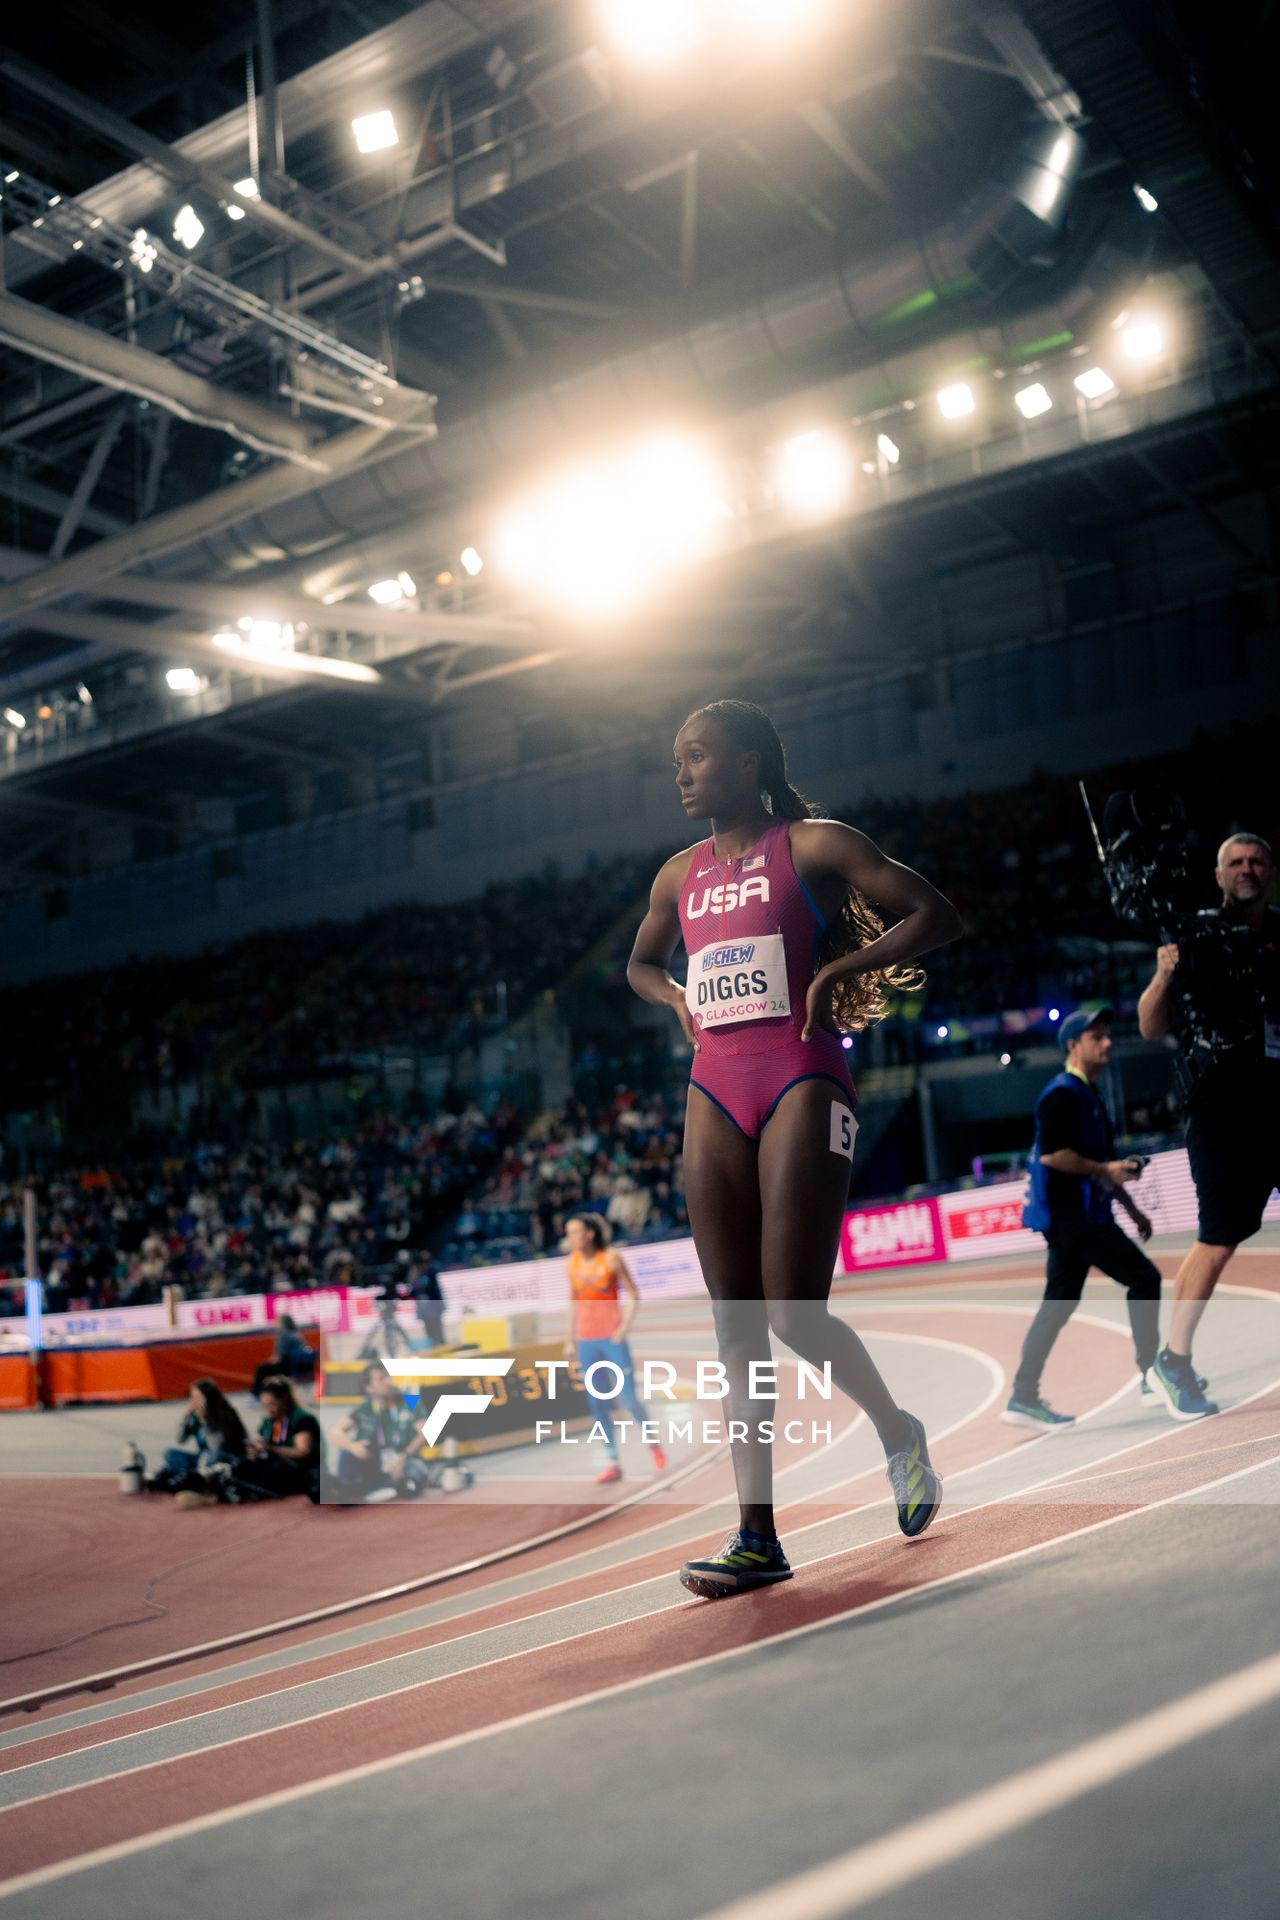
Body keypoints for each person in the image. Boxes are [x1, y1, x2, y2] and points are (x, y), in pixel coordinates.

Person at [627, 699, 961, 1596]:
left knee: (792, 1316)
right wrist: (675, 1002)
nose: (682, 771)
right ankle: (758, 1538)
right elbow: (640, 963)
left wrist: (837, 973)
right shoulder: (676, 875)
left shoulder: (812, 844)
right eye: (676, 760)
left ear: (748, 764)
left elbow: (935, 914)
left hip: (800, 1073)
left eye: (697, 756)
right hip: (713, 1083)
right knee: (737, 1323)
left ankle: (899, 1433)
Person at [1138, 832, 1280, 1417]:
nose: (1247, 869)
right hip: (1221, 1111)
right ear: (1218, 876)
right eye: (1236, 863)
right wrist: (1164, 974)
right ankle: (1173, 1360)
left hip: (1278, 1098)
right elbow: (1151, 1025)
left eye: (1257, 861)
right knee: (1217, 1241)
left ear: (1269, 872)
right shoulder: (1190, 933)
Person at [1004, 1007, 1161, 1430]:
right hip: (1073, 1218)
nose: (1107, 1042)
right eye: (1097, 1037)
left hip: (1079, 1217)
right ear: (1072, 1046)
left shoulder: (1089, 1095)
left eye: (1108, 1035)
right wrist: (1106, 1172)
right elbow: (1056, 1155)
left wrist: (1131, 1208)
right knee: (1144, 1279)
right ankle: (1153, 1374)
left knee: (1058, 1304)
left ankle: (1022, 1394)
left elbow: (1102, 1163)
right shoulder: (1061, 1094)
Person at [563, 1212, 666, 1485]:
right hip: (587, 1341)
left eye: (574, 1232)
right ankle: (612, 1461)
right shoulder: (571, 1263)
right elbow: (573, 1302)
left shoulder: (610, 1258)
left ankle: (653, 1443)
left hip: (612, 1340)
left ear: (589, 1234)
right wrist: (569, 1339)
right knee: (597, 1403)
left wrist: (624, 1327)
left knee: (629, 1401)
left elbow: (633, 1292)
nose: (570, 1238)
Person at [326, 1362, 433, 1502]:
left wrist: (404, 1456)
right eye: (381, 1379)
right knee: (347, 1453)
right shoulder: (366, 1408)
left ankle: (385, 1487)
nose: (389, 1381)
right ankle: (347, 1489)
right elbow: (335, 1432)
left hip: (405, 1460)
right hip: (377, 1461)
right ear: (369, 1388)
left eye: (388, 1376)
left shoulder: (409, 1400)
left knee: (415, 1473)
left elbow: (425, 1433)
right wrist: (352, 1447)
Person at [152, 1377, 248, 1500]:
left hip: (223, 1457)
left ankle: (195, 1480)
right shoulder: (195, 1417)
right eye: (192, 1397)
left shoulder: (224, 1414)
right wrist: (185, 1418)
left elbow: (216, 1446)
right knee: (170, 1453)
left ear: (208, 1398)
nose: (193, 1401)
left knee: (211, 1455)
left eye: (197, 1398)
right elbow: (180, 1439)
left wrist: (205, 1421)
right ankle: (189, 1477)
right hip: (203, 1458)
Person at [235, 1375, 323, 1500]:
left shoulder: (302, 1419)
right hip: (278, 1463)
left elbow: (303, 1452)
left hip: (301, 1467)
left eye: (272, 1404)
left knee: (272, 1469)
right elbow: (262, 1442)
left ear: (284, 1399)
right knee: (242, 1464)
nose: (268, 1409)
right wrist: (255, 1449)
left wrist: (271, 1448)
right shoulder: (269, 1420)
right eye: (265, 1405)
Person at [251, 1312, 316, 1396]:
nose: (275, 1323)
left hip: (287, 1368)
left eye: (277, 1321)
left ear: (282, 1323)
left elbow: (280, 1356)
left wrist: (272, 1361)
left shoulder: (283, 1335)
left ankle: (255, 1395)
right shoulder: (297, 1334)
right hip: (301, 1368)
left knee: (261, 1368)